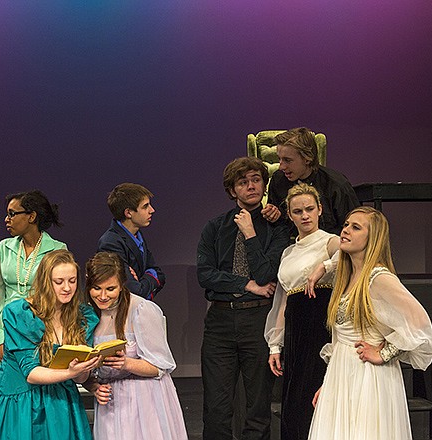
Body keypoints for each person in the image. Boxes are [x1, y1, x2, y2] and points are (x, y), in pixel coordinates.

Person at [308, 207, 432, 440]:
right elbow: (338, 339)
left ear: (373, 238)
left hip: (368, 377)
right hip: (341, 373)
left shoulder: (379, 278)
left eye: (356, 227)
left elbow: (419, 324)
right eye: (346, 224)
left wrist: (385, 352)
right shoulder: (346, 277)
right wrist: (328, 383)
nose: (345, 230)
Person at [197, 157, 290, 440]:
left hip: (258, 319)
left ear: (264, 184)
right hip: (221, 320)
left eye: (256, 180)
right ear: (232, 190)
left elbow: (266, 274)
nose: (251, 186)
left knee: (258, 405)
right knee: (216, 406)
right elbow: (205, 274)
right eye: (243, 182)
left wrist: (250, 233)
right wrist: (245, 284)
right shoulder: (215, 227)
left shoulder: (278, 226)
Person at [0, 249, 99, 440]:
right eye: (59, 282)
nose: (67, 288)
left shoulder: (83, 317)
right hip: (20, 402)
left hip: (59, 400)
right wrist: (71, 373)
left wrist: (84, 368)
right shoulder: (20, 314)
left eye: (72, 280)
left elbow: (79, 378)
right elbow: (31, 373)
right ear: (45, 283)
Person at [264, 183, 340, 440]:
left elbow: (356, 254)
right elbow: (283, 298)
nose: (305, 215)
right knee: (293, 401)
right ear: (289, 214)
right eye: (298, 211)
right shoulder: (288, 251)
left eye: (309, 209)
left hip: (320, 325)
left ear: (320, 209)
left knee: (314, 396)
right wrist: (275, 345)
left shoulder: (330, 242)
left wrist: (325, 267)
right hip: (295, 329)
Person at [85, 252, 188, 440]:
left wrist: (126, 364)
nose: (102, 296)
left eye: (110, 289)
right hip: (110, 405)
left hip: (144, 400)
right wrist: (94, 387)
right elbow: (88, 372)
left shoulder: (141, 310)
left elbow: (160, 367)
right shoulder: (89, 315)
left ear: (122, 284)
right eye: (96, 288)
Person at [0, 190, 66, 379]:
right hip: (7, 333)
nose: (6, 219)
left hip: (41, 335)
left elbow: (61, 300)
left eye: (12, 213)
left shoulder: (57, 250)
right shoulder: (4, 248)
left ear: (31, 216)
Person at [261, 127, 359, 236]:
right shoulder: (278, 180)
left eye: (287, 160)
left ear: (307, 158)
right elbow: (278, 229)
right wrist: (274, 216)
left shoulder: (337, 184)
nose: (281, 167)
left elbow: (354, 228)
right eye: (279, 159)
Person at [97, 183, 165, 300]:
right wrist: (151, 276)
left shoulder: (137, 235)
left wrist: (146, 278)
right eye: (145, 206)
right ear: (128, 213)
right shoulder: (110, 243)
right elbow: (134, 291)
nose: (152, 210)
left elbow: (160, 275)